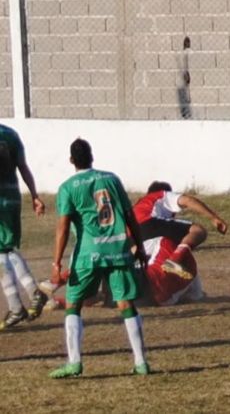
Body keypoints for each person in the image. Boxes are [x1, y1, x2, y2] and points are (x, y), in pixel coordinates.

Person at [49, 138, 150, 378]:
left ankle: (74, 363)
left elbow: (63, 228)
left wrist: (56, 262)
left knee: (73, 304)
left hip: (88, 254)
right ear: (92, 156)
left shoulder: (68, 187)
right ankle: (141, 362)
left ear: (71, 160)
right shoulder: (111, 179)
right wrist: (140, 246)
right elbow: (129, 216)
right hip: (118, 250)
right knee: (126, 304)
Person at [0, 124, 48, 330]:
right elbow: (23, 166)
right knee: (7, 248)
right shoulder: (11, 134)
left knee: (1, 253)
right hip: (12, 196)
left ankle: (16, 306)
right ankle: (33, 293)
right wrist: (35, 195)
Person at [133, 181, 228, 279]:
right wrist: (214, 218)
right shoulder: (161, 195)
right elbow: (188, 200)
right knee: (198, 231)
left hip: (133, 237)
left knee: (154, 263)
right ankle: (175, 259)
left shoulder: (138, 205)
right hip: (149, 222)